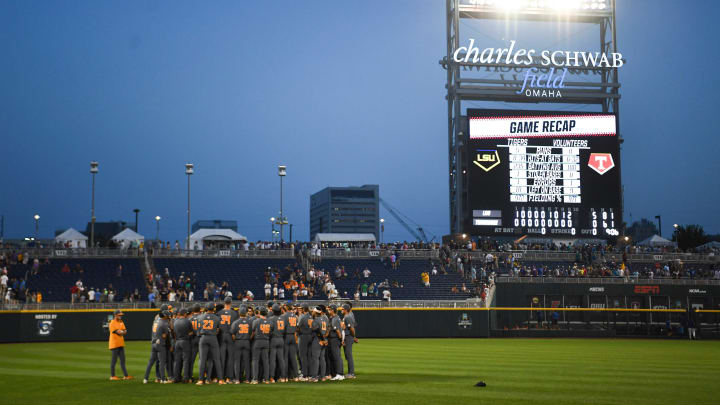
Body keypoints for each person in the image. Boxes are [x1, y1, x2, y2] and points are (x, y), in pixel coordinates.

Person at [196, 302, 225, 385]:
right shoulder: (217, 318)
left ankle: (201, 380)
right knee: (217, 359)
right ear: (213, 309)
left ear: (206, 308)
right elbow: (220, 329)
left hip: (203, 337)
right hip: (213, 338)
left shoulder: (200, 317)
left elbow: (198, 332)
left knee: (202, 360)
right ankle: (220, 380)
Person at [143, 310, 171, 384]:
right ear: (164, 316)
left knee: (151, 362)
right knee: (162, 362)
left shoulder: (155, 321)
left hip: (154, 343)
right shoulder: (164, 323)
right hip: (160, 343)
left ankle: (145, 378)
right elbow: (166, 335)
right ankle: (163, 379)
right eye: (167, 315)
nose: (168, 316)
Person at [217, 297, 239, 382]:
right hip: (230, 335)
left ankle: (221, 377)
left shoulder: (218, 313)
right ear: (231, 303)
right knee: (230, 357)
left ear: (224, 302)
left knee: (221, 357)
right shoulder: (234, 313)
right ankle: (229, 377)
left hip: (221, 335)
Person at [250, 306, 273, 384]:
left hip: (258, 341)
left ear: (259, 312)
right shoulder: (270, 322)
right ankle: (266, 379)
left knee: (255, 360)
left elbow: (253, 332)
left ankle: (255, 379)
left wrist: (250, 339)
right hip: (266, 341)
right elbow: (271, 333)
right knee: (265, 361)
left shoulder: (256, 321)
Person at [230, 305, 252, 383]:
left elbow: (233, 334)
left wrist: (236, 339)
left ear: (239, 313)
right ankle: (247, 379)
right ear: (246, 313)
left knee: (237, 361)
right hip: (247, 341)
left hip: (238, 341)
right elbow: (252, 333)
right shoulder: (250, 322)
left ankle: (237, 379)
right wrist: (248, 338)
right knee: (246, 361)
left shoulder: (235, 322)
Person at [109, 309, 132, 380]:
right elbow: (118, 332)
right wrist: (122, 331)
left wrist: (122, 331)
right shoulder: (112, 323)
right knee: (114, 361)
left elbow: (125, 331)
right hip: (114, 344)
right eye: (119, 315)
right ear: (115, 315)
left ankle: (126, 376)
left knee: (123, 360)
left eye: (121, 315)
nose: (121, 316)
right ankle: (112, 376)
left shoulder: (121, 322)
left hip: (121, 343)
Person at [172, 308, 193, 383]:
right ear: (184, 314)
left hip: (177, 342)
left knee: (177, 361)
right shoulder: (187, 321)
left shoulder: (175, 322)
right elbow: (191, 333)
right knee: (186, 360)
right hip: (185, 342)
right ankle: (185, 378)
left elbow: (173, 333)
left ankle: (176, 378)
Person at [267, 303, 286, 383]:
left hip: (274, 339)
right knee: (281, 359)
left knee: (272, 359)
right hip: (281, 339)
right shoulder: (283, 318)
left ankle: (272, 377)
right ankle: (283, 377)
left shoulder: (271, 319)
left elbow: (269, 331)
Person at [281, 304, 300, 381]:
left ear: (286, 308)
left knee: (285, 357)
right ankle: (296, 376)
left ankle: (285, 377)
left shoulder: (284, 316)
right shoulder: (295, 316)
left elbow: (283, 328)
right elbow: (297, 328)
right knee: (293, 357)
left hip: (286, 336)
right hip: (293, 336)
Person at [327, 305, 345, 381]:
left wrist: (340, 339)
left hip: (335, 339)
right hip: (334, 339)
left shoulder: (334, 319)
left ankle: (340, 374)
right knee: (334, 357)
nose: (328, 311)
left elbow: (338, 331)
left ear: (333, 310)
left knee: (337, 357)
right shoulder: (334, 318)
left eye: (330, 310)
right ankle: (335, 374)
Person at [341, 303, 358, 378]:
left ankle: (351, 373)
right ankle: (350, 372)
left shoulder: (348, 317)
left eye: (342, 309)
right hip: (347, 337)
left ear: (346, 310)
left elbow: (352, 328)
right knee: (347, 356)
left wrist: (353, 337)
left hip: (348, 337)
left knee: (349, 355)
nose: (341, 310)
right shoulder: (346, 316)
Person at [296, 303, 313, 380]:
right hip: (310, 336)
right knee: (309, 356)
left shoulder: (302, 317)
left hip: (303, 337)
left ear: (303, 309)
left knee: (303, 356)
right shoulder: (311, 316)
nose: (299, 309)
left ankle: (305, 374)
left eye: (300, 308)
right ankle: (310, 374)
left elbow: (298, 328)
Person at [188, 304, 202, 381]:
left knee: (191, 359)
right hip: (200, 338)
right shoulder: (202, 317)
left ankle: (190, 376)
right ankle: (202, 376)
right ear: (200, 310)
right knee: (202, 359)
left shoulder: (190, 319)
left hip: (192, 339)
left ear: (193, 311)